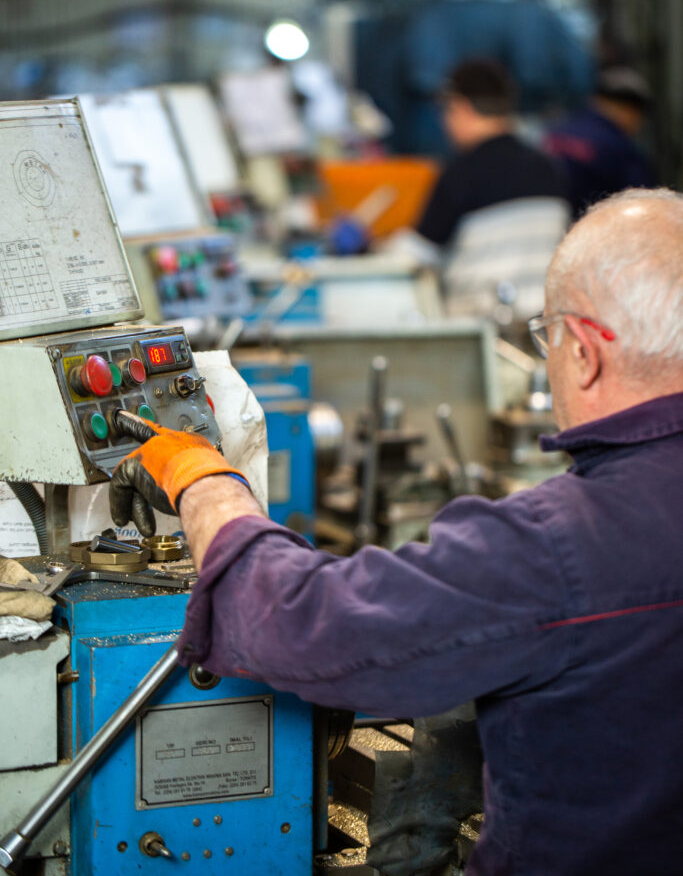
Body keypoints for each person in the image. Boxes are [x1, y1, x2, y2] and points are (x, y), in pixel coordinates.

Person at [111, 188, 683, 876]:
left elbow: (296, 622)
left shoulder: (557, 546)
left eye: (547, 337)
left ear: (584, 351)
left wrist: (201, 478)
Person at [415, 57, 567, 248]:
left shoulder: (461, 175)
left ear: (462, 108)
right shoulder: (549, 168)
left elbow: (419, 251)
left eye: (446, 110)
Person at [545, 65, 657, 217]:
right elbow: (644, 202)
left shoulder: (556, 131)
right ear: (629, 110)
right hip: (595, 225)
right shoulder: (621, 148)